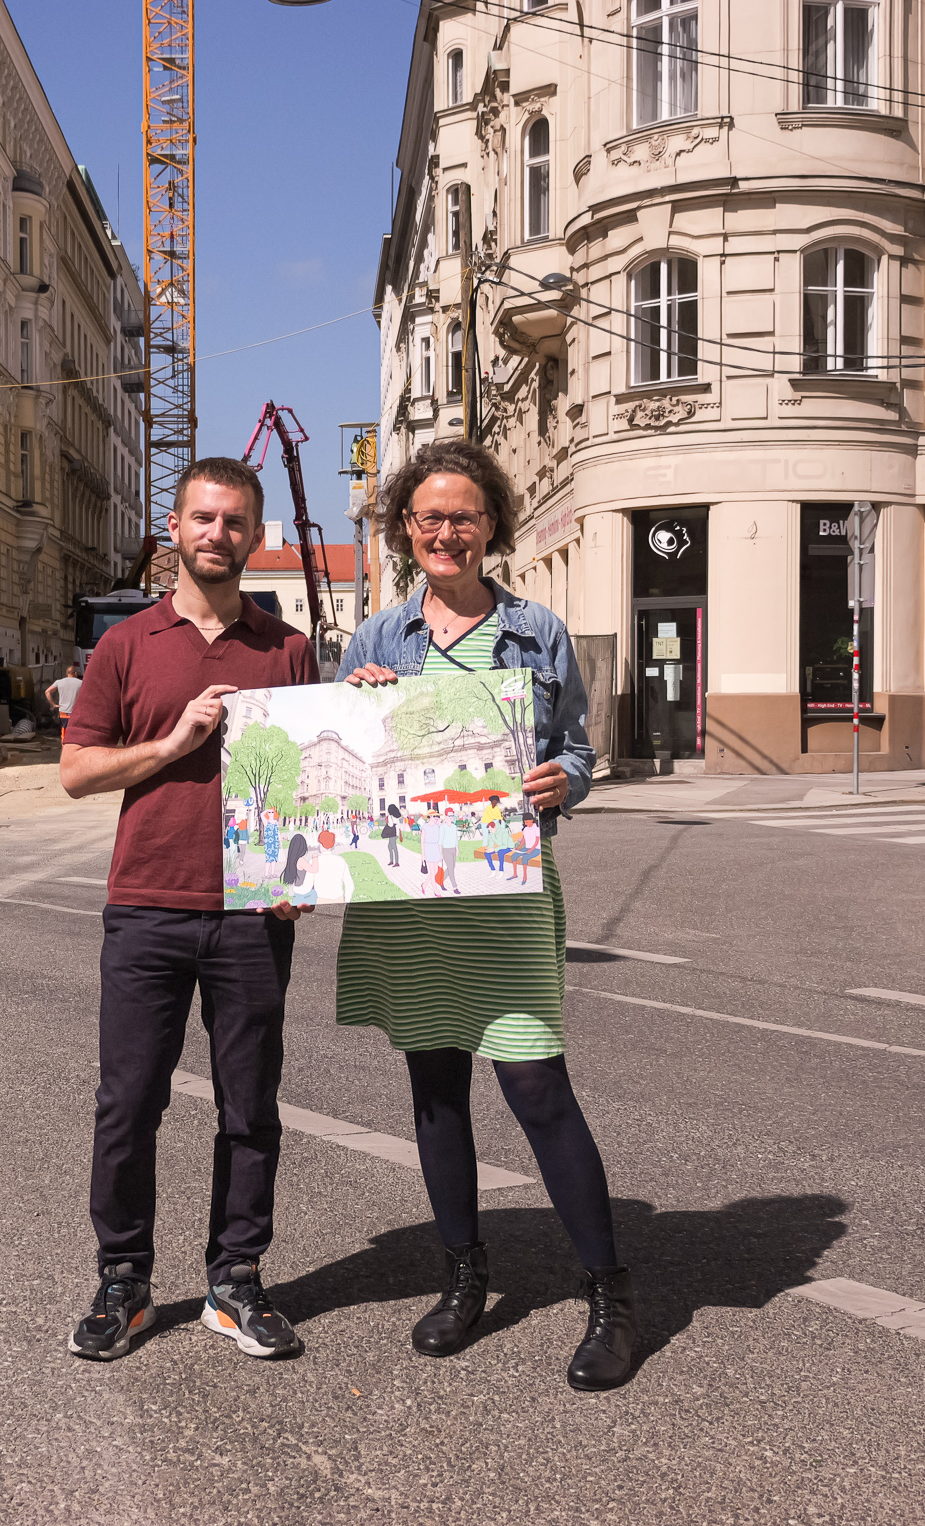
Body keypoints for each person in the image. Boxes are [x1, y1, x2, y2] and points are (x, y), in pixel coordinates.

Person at [334, 438, 633, 1392]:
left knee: (537, 1084)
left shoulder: (536, 630)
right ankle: (464, 1277)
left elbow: (581, 752)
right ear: (406, 529)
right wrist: (352, 706)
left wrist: (563, 781)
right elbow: (341, 766)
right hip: (410, 896)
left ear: (491, 524)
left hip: (505, 889)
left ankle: (611, 1295)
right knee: (434, 1085)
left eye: (463, 515)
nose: (446, 531)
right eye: (429, 517)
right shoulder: (379, 639)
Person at [58, 455, 318, 1364]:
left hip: (252, 914)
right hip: (147, 907)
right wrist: (173, 742)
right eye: (203, 519)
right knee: (128, 1103)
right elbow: (77, 772)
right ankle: (123, 1279)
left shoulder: (284, 647)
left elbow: (303, 780)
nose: (218, 534)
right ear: (175, 528)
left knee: (252, 1105)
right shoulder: (128, 644)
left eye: (235, 521)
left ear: (254, 535)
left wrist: (304, 872)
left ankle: (235, 1279)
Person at [47, 660, 84, 734]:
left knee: (64, 733)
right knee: (75, 733)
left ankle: (64, 744)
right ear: (75, 673)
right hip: (75, 713)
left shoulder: (59, 682)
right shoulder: (81, 683)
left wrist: (53, 704)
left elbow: (47, 691)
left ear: (66, 673)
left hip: (63, 713)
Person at [439, 808, 462, 893]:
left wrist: (457, 848)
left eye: (452, 815)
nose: (451, 817)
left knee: (451, 867)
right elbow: (440, 842)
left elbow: (455, 838)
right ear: (445, 816)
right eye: (449, 815)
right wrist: (440, 853)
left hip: (453, 849)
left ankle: (440, 881)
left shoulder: (454, 826)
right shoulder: (443, 827)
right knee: (451, 869)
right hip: (446, 850)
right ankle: (455, 887)